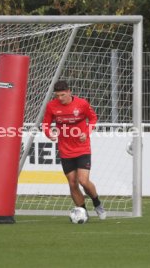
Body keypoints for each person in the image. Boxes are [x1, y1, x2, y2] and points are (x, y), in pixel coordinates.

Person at [42, 80, 106, 220]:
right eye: (57, 95)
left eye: (63, 95)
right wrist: (49, 134)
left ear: (69, 92)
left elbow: (93, 119)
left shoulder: (82, 103)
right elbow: (45, 124)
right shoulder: (51, 106)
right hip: (65, 150)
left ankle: (97, 203)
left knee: (83, 181)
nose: (60, 98)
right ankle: (82, 212)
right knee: (72, 183)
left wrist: (87, 132)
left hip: (82, 148)